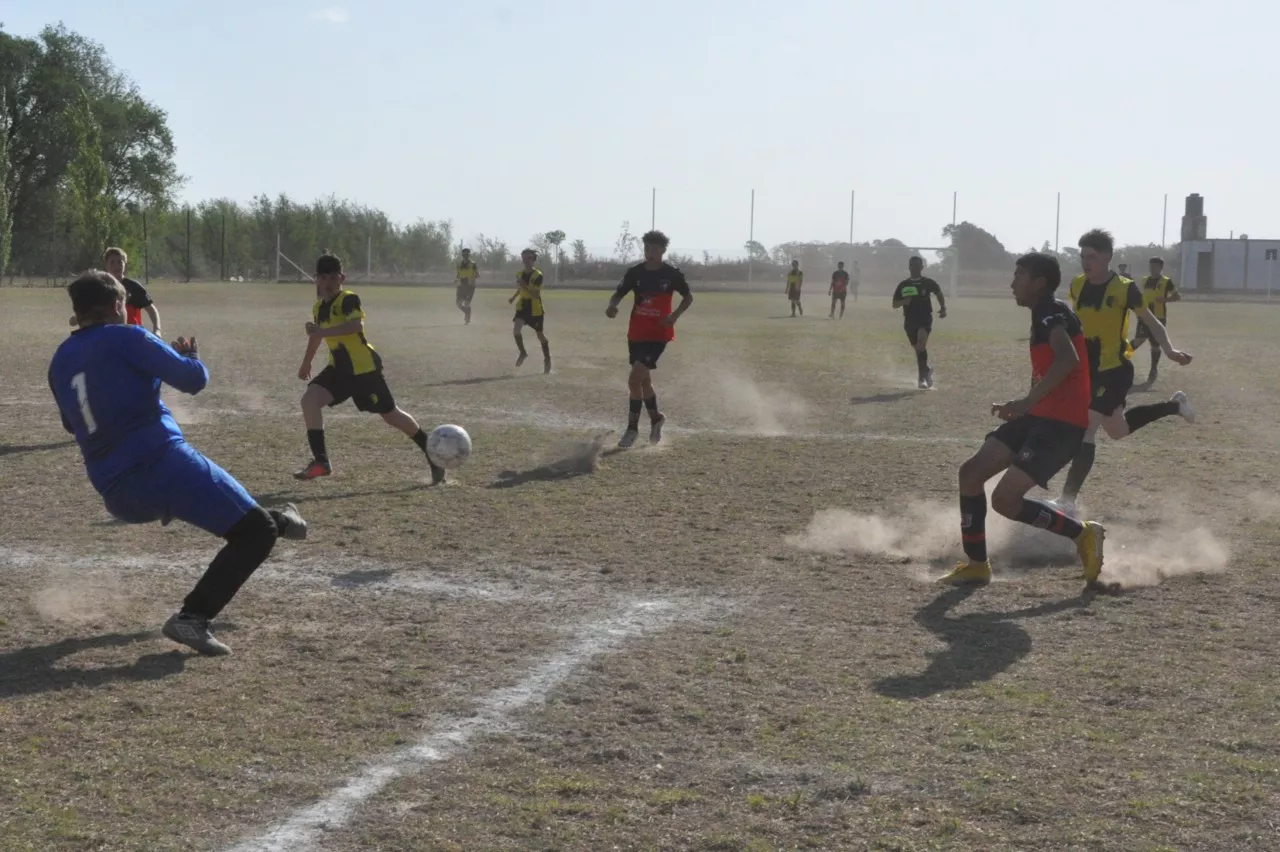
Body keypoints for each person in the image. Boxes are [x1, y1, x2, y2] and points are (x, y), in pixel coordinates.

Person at [49, 270, 308, 656]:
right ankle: (192, 618)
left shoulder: (59, 361)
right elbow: (192, 380)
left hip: (116, 492)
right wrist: (190, 355)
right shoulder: (128, 335)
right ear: (118, 305)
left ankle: (283, 519)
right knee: (255, 534)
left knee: (244, 522)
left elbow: (73, 424)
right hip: (162, 463)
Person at [941, 253, 1109, 591]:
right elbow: (1058, 367)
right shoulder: (1046, 312)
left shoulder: (1049, 311)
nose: (1012, 282)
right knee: (970, 474)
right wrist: (1023, 405)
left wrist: (1027, 401)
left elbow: (1067, 359)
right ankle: (976, 565)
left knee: (1004, 501)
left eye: (1019, 275)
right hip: (1039, 417)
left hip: (1060, 426)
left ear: (1039, 283)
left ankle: (1083, 534)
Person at [1057, 230, 1194, 508]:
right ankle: (1174, 406)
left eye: (1092, 256)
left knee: (1087, 427)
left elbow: (1153, 322)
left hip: (1115, 370)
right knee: (1118, 430)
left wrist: (1169, 350)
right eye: (1083, 256)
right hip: (1088, 370)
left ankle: (1067, 500)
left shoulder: (1124, 288)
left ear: (1107, 257)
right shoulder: (1077, 285)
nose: (1086, 261)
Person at [295, 252, 446, 484]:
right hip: (339, 370)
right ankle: (321, 462)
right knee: (309, 400)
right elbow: (316, 337)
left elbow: (356, 326)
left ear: (341, 278)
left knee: (391, 416)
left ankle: (431, 453)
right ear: (316, 279)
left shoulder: (348, 299)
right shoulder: (319, 308)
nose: (327, 282)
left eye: (332, 277)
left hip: (364, 370)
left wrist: (322, 332)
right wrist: (306, 362)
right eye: (323, 277)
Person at [606, 230, 693, 448]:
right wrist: (612, 305)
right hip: (636, 333)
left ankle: (632, 430)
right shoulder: (635, 272)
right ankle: (656, 419)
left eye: (654, 249)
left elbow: (688, 297)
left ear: (663, 250)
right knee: (643, 381)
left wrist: (674, 317)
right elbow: (619, 292)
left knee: (634, 380)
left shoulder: (671, 274)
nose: (649, 252)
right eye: (646, 248)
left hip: (658, 335)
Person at [69, 247, 161, 337]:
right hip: (108, 337)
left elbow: (151, 309)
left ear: (125, 264)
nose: (116, 266)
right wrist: (78, 318)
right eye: (112, 262)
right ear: (106, 265)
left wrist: (157, 329)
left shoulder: (134, 287)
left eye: (120, 262)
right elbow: (91, 313)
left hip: (132, 337)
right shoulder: (100, 288)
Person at [892, 256, 946, 389]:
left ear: (922, 267)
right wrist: (904, 301)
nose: (915, 268)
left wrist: (943, 308)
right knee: (918, 349)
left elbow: (938, 292)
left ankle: (921, 379)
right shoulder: (903, 285)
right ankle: (926, 370)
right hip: (909, 320)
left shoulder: (928, 283)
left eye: (918, 266)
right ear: (909, 267)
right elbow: (894, 304)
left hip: (924, 318)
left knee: (921, 344)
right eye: (913, 265)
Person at [1130, 256, 1180, 384]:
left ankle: (1153, 370)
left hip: (1159, 316)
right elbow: (1140, 296)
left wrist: (1165, 300)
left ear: (1160, 268)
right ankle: (1120, 360)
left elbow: (1177, 296)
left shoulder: (1166, 281)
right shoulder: (1144, 280)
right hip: (1144, 315)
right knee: (1138, 340)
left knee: (1155, 345)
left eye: (1155, 266)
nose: (1152, 269)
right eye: (1151, 266)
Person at [509, 248, 551, 373]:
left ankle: (547, 359)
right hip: (523, 306)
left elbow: (536, 294)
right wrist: (514, 296)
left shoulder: (538, 275)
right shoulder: (519, 274)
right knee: (516, 330)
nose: (526, 261)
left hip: (535, 308)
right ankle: (523, 353)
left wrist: (523, 285)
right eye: (523, 258)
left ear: (533, 260)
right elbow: (521, 289)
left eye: (529, 258)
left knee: (540, 335)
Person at [455, 248, 479, 325]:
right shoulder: (459, 264)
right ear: (462, 255)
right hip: (461, 286)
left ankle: (467, 318)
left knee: (467, 303)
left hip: (470, 286)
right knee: (458, 303)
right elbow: (458, 275)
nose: (465, 256)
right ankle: (467, 313)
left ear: (469, 255)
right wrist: (456, 279)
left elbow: (477, 274)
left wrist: (471, 278)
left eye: (467, 255)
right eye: (464, 255)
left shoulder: (473, 264)